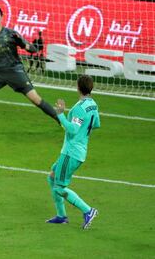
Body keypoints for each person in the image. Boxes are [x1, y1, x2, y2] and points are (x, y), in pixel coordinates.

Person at [46, 75, 100, 229]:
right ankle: (61, 215)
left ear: (78, 87)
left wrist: (60, 114)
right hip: (79, 150)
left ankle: (88, 210)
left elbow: (73, 129)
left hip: (71, 153)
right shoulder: (92, 105)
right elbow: (96, 123)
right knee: (51, 177)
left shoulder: (78, 109)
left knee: (58, 187)